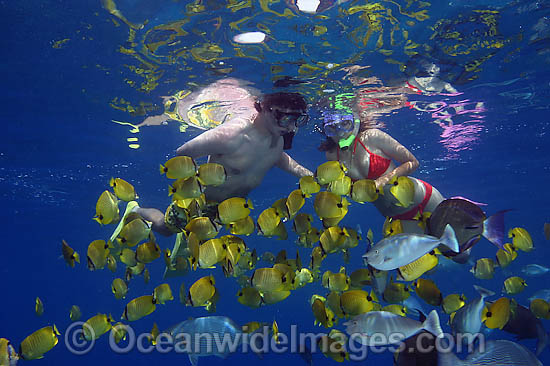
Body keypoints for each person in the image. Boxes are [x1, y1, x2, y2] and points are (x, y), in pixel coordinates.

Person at [131, 79, 314, 236]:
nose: (291, 128)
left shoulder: (277, 137)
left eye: (297, 121)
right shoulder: (232, 136)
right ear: (266, 108)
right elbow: (183, 152)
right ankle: (135, 209)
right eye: (286, 119)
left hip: (227, 210)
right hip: (198, 200)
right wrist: (189, 194)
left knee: (202, 241)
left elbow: (277, 157)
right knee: (166, 229)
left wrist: (309, 176)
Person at [318, 90, 444, 234]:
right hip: (398, 217)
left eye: (345, 123)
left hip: (423, 199)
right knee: (429, 254)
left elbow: (413, 162)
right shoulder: (332, 155)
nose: (340, 132)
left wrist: (384, 179)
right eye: (332, 127)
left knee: (460, 253)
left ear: (355, 120)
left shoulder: (373, 137)